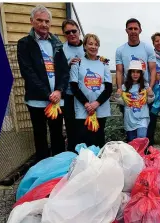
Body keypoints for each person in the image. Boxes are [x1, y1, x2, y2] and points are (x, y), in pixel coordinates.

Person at [17, 5, 69, 162]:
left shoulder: (56, 43)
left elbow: (64, 70)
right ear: (32, 21)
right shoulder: (24, 43)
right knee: (40, 136)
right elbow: (28, 72)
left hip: (57, 100)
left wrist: (59, 90)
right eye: (39, 20)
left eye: (47, 21)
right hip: (37, 101)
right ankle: (42, 172)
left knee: (57, 135)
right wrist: (48, 93)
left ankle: (58, 170)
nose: (44, 24)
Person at [69, 33, 112, 148]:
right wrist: (87, 104)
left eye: (96, 44)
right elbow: (74, 86)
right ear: (85, 46)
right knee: (84, 139)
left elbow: (108, 88)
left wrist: (96, 103)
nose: (93, 47)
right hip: (83, 108)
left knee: (99, 138)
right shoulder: (77, 63)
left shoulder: (104, 63)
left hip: (100, 107)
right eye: (90, 44)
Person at [115, 18, 156, 120]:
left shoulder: (148, 48)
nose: (133, 31)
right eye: (130, 28)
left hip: (143, 91)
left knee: (146, 123)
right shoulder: (120, 50)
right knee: (129, 123)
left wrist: (149, 88)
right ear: (126, 30)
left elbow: (153, 70)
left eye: (135, 28)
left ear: (140, 30)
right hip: (128, 92)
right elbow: (119, 71)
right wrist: (120, 90)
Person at [114, 60, 155, 141]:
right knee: (132, 142)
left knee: (141, 139)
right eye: (133, 72)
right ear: (129, 73)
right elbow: (121, 102)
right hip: (129, 119)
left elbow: (150, 101)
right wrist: (118, 95)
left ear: (141, 74)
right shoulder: (124, 87)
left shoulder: (145, 86)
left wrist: (150, 94)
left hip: (142, 117)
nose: (135, 74)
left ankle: (141, 154)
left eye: (138, 72)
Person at [62, 19, 85, 152]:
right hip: (70, 95)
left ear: (79, 31)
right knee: (72, 129)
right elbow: (56, 70)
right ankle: (72, 157)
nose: (71, 34)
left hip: (86, 96)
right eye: (68, 32)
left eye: (74, 31)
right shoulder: (62, 49)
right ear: (64, 34)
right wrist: (68, 64)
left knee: (86, 128)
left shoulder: (87, 46)